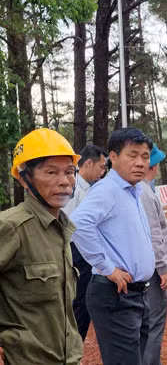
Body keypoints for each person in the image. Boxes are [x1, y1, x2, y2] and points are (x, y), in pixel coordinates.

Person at [71, 128, 156, 365]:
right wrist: (107, 267)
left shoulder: (133, 190)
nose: (140, 162)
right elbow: (78, 223)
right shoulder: (108, 189)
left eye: (145, 156)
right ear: (114, 157)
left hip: (137, 294)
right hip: (116, 294)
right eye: (132, 155)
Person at [0, 128, 83, 364]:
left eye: (69, 172)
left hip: (68, 358)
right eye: (51, 172)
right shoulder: (12, 227)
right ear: (25, 179)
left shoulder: (62, 228)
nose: (64, 182)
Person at [63, 144, 108, 341]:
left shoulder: (88, 189)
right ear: (88, 163)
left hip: (80, 252)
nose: (103, 172)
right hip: (73, 251)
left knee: (82, 302)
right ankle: (73, 345)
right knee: (78, 302)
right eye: (101, 166)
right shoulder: (71, 188)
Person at [138, 145, 167, 365]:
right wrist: (163, 268)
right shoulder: (144, 193)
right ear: (155, 165)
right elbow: (154, 234)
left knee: (145, 322)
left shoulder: (141, 190)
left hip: (146, 267)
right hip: (152, 270)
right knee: (153, 321)